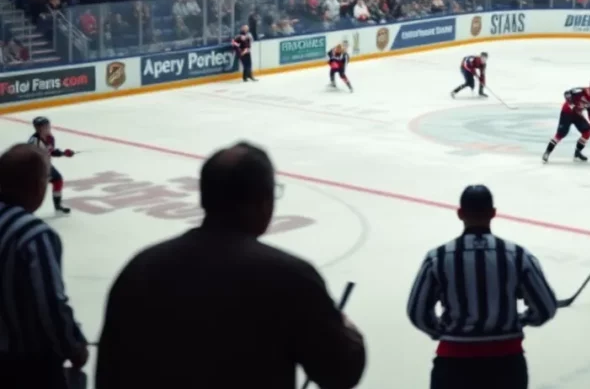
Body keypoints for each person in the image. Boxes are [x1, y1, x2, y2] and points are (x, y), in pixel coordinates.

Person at [96, 142, 366, 389]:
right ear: (265, 203)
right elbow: (342, 372)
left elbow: (108, 371)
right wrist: (342, 325)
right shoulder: (289, 278)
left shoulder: (141, 268)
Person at [406, 185, 557, 389]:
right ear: (493, 213)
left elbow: (417, 312)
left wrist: (442, 331)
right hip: (507, 365)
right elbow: (545, 307)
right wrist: (520, 320)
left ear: (460, 214)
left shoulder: (438, 257)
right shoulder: (518, 255)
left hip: (453, 364)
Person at [0, 143, 89, 389]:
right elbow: (49, 304)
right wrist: (73, 345)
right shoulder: (32, 235)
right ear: (36, 186)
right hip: (22, 367)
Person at [542, 78, 590, 163]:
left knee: (587, 131)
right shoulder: (580, 91)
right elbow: (567, 93)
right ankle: (547, 152)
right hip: (567, 113)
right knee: (561, 134)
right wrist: (571, 104)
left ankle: (577, 153)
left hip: (577, 115)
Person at [27, 115, 74, 214]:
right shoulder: (34, 141)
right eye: (45, 126)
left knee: (58, 180)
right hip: (35, 169)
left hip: (45, 166)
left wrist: (64, 153)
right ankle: (26, 210)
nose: (48, 127)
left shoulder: (50, 137)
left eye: (48, 125)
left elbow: (50, 151)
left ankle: (58, 205)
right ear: (38, 128)